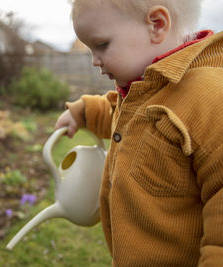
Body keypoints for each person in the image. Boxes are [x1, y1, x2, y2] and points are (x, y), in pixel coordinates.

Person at [55, 0, 223, 265]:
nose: (94, 61)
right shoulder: (147, 87)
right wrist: (85, 111)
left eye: (101, 45)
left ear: (156, 25)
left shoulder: (211, 98)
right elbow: (131, 119)